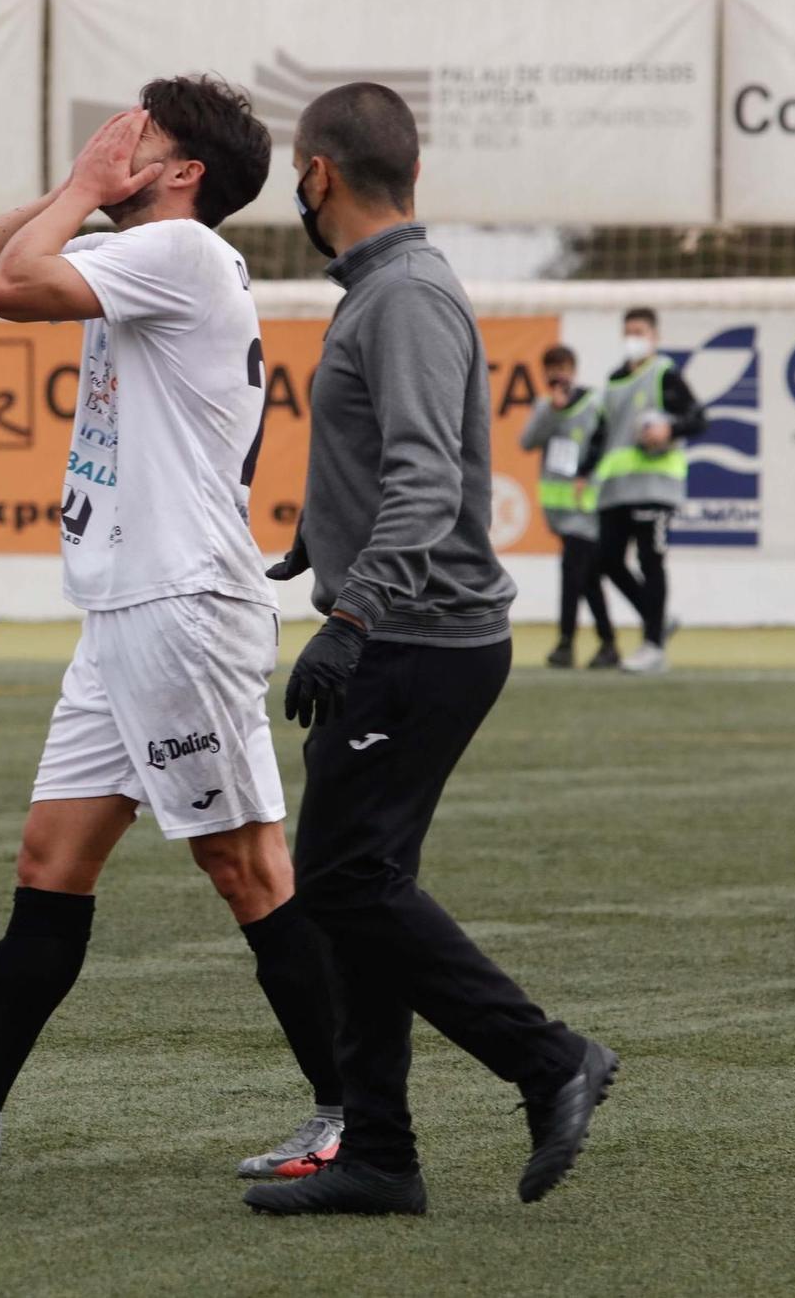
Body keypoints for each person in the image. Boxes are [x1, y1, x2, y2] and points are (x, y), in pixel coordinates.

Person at [0, 77, 345, 1182]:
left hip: (181, 604)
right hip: (125, 609)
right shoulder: (133, 245)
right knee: (50, 860)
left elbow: (10, 281)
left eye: (140, 138)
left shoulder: (184, 254)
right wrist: (71, 191)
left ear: (182, 174)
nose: (114, 144)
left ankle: (354, 1113)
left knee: (245, 865)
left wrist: (79, 190)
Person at [243, 82, 618, 1219]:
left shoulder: (400, 295)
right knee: (359, 887)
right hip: (412, 628)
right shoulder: (384, 288)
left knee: (348, 882)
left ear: (317, 175)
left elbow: (424, 477)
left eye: (294, 174)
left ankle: (547, 1059)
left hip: (414, 638)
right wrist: (321, 532)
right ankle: (381, 1154)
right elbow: (399, 460)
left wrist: (350, 614)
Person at [577, 307, 706, 675]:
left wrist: (669, 429)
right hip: (617, 489)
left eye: (640, 331)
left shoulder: (665, 375)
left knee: (651, 561)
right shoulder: (614, 380)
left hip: (654, 486)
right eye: (628, 331)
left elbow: (698, 418)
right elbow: (603, 432)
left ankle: (653, 646)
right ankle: (658, 621)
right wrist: (584, 471)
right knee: (603, 562)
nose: (633, 337)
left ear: (654, 336)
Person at [519, 344, 618, 669]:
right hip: (559, 509)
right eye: (551, 368)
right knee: (587, 577)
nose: (556, 374)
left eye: (562, 367)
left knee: (573, 573)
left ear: (573, 370)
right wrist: (552, 411)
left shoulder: (593, 403)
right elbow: (527, 442)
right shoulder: (545, 406)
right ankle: (608, 644)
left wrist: (588, 473)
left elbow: (604, 443)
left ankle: (565, 643)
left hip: (584, 505)